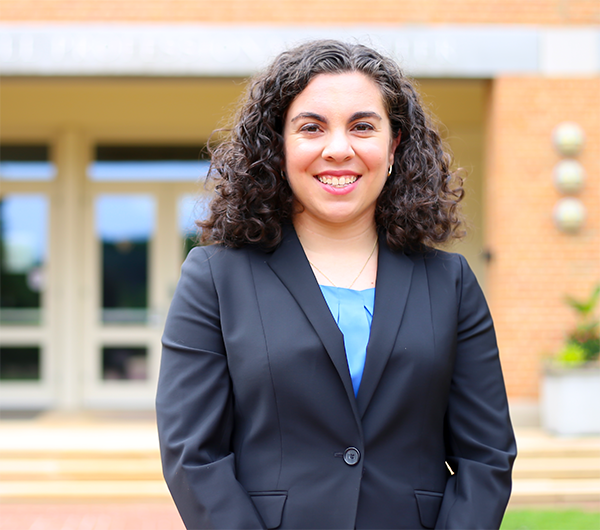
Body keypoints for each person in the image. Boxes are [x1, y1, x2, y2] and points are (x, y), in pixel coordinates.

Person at [156, 40, 516, 530]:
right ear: (278, 145)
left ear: (393, 147)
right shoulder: (215, 278)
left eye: (363, 127)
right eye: (311, 128)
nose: (339, 149)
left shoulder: (450, 284)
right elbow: (192, 456)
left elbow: (487, 457)